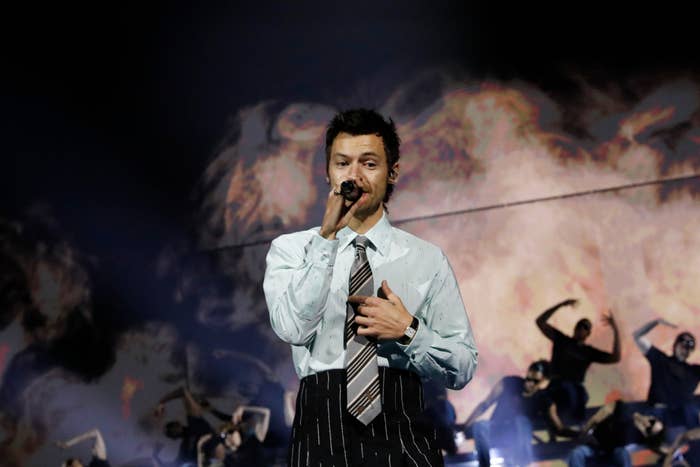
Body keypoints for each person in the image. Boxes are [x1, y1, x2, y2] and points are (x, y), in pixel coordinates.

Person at [263, 108, 478, 466]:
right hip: (321, 433)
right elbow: (292, 328)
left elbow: (463, 365)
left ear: (393, 172)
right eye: (342, 163)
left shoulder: (427, 258)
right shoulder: (292, 249)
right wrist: (326, 239)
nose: (354, 176)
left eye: (369, 164)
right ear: (328, 172)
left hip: (405, 432)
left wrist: (409, 331)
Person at [464, 360, 570, 466]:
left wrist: (578, 434)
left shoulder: (545, 401)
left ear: (544, 382)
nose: (529, 383)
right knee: (480, 425)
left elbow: (559, 428)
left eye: (535, 381)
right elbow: (485, 404)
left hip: (515, 440)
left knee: (522, 421)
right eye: (528, 379)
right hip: (497, 430)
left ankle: (521, 463)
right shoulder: (509, 383)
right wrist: (465, 425)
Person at [535, 299, 620, 422]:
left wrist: (616, 329)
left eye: (585, 327)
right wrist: (561, 305)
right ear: (575, 328)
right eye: (579, 325)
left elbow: (615, 357)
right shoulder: (562, 340)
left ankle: (575, 422)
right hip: (556, 386)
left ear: (588, 333)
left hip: (573, 390)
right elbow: (540, 322)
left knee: (578, 398)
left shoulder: (589, 352)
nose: (581, 329)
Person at [633, 318, 700, 428]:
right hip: (658, 414)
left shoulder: (694, 371)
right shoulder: (660, 359)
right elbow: (637, 336)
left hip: (681, 418)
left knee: (691, 409)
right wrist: (656, 322)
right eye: (683, 346)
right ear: (675, 345)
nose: (685, 350)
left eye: (689, 348)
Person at [566, 400, 667, 467]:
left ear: (647, 435)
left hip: (612, 453)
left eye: (649, 429)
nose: (647, 424)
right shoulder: (625, 409)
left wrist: (668, 453)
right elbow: (604, 412)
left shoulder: (639, 437)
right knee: (576, 454)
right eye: (652, 422)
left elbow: (658, 447)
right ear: (652, 417)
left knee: (623, 454)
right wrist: (587, 429)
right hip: (595, 445)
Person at [153, 386, 215, 466]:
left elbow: (182, 391)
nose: (173, 432)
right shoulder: (185, 448)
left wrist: (161, 402)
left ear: (178, 424)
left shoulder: (194, 422)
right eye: (170, 433)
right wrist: (156, 456)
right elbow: (174, 464)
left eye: (172, 429)